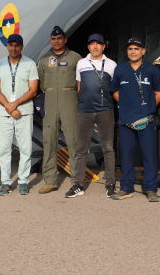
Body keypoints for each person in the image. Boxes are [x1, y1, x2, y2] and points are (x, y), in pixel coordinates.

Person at [110, 37, 160, 202]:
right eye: (130, 49)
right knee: (126, 155)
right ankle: (126, 187)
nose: (133, 51)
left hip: (147, 120)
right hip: (126, 120)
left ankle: (151, 189)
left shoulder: (152, 69)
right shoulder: (120, 69)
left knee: (149, 155)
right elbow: (114, 92)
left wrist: (146, 109)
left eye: (136, 49)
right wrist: (128, 107)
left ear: (143, 51)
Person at [68, 33, 118, 199]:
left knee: (108, 148)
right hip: (85, 111)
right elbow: (79, 86)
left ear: (104, 46)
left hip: (106, 110)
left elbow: (115, 89)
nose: (95, 46)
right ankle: (78, 185)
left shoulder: (112, 65)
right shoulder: (81, 63)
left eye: (99, 44)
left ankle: (110, 184)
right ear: (88, 46)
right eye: (92, 44)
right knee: (81, 149)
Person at [0, 34, 39, 195]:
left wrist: (15, 104)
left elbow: (33, 90)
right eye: (11, 45)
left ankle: (23, 180)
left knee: (25, 147)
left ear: (22, 46)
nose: (13, 48)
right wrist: (10, 107)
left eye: (17, 45)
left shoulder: (30, 64)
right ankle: (6, 181)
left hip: (24, 112)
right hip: (5, 113)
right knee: (4, 148)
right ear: (7, 46)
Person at [37, 26, 81, 194]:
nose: (56, 41)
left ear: (65, 40)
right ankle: (50, 180)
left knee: (73, 140)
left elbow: (80, 80)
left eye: (59, 38)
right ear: (51, 41)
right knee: (48, 141)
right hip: (49, 101)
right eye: (53, 39)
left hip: (69, 100)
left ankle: (76, 181)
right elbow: (41, 82)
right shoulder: (44, 59)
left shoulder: (75, 57)